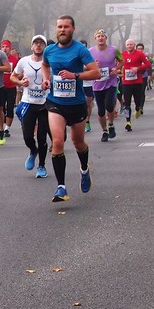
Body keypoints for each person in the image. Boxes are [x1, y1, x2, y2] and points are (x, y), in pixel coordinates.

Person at [40, 16, 100, 202]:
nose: (62, 29)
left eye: (66, 27)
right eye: (59, 27)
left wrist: (75, 75)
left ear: (73, 29)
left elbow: (95, 72)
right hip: (55, 102)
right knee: (57, 141)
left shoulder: (80, 50)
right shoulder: (49, 50)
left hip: (76, 104)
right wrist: (46, 79)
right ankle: (61, 187)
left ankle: (84, 169)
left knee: (77, 142)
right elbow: (44, 65)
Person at [11, 35, 50, 177]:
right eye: (36, 43)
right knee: (28, 136)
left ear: (45, 47)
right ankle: (33, 151)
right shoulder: (24, 61)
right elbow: (12, 76)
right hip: (28, 102)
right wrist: (21, 83)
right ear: (31, 46)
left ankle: (41, 166)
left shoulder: (49, 62)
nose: (38, 45)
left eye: (41, 43)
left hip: (45, 104)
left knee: (42, 137)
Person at [88, 30, 121, 141]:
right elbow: (84, 65)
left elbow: (122, 61)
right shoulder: (90, 51)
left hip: (111, 81)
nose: (101, 38)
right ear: (95, 38)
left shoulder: (114, 49)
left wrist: (116, 69)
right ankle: (104, 131)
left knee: (109, 105)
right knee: (101, 110)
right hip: (97, 83)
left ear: (106, 38)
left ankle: (111, 124)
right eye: (98, 36)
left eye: (103, 36)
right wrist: (93, 66)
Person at [119, 39, 151, 131]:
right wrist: (117, 70)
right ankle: (128, 121)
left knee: (138, 102)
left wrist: (138, 68)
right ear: (126, 46)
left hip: (137, 82)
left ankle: (138, 109)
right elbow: (118, 65)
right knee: (127, 103)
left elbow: (147, 64)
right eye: (128, 44)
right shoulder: (122, 54)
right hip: (126, 83)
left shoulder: (139, 54)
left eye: (131, 44)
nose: (129, 46)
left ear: (134, 45)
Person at [0, 39, 19, 138]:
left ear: (10, 48)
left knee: (10, 107)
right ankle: (2, 126)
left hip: (11, 87)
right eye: (3, 47)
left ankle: (7, 128)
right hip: (0, 86)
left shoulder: (14, 59)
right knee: (1, 108)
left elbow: (19, 72)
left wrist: (18, 79)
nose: (5, 48)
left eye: (6, 47)